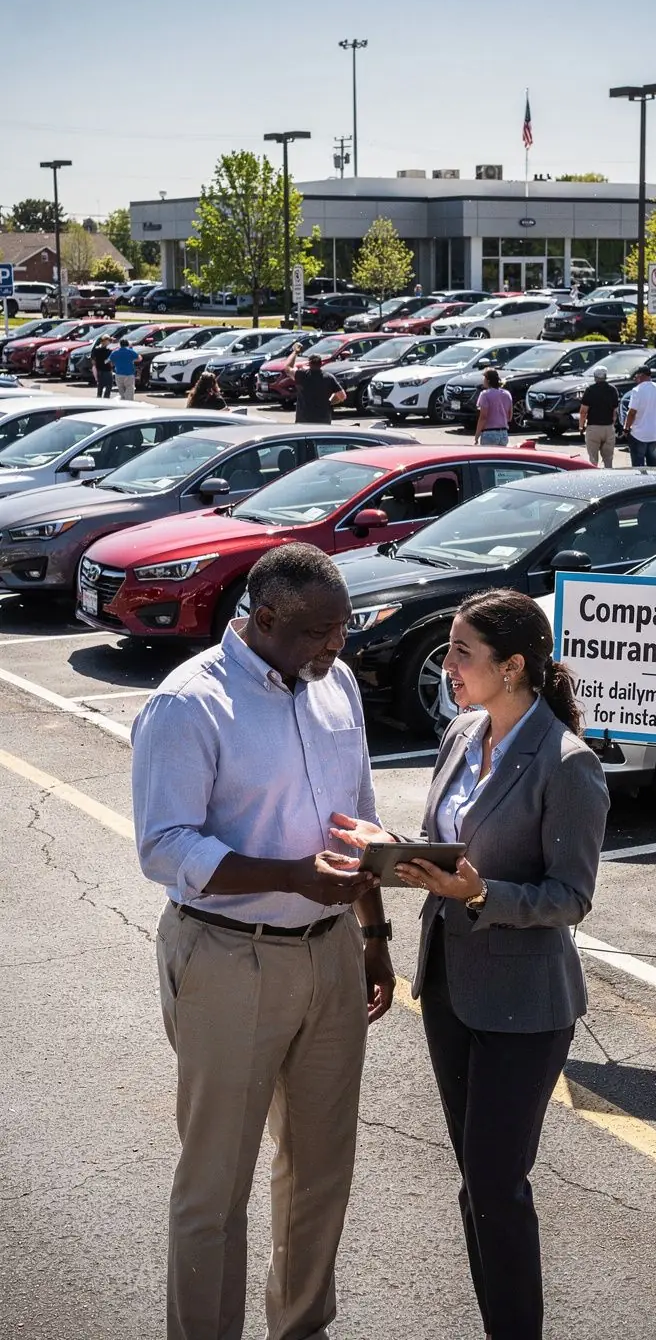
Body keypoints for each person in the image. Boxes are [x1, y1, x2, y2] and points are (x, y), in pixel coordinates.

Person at [131, 543, 395, 1340]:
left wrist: (374, 934)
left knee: (320, 1174)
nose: (335, 647)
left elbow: (359, 816)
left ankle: (301, 1328)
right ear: (265, 617)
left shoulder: (335, 683)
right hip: (225, 957)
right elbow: (164, 847)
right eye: (320, 631)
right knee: (216, 1187)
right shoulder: (190, 703)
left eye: (343, 630)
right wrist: (290, 875)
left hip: (331, 956)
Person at [331, 589, 608, 1340]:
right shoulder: (460, 732)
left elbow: (571, 897)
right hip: (450, 985)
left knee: (496, 1183)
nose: (447, 665)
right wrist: (383, 844)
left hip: (527, 1002)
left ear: (513, 666)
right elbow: (441, 843)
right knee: (475, 1185)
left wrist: (483, 893)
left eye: (462, 652)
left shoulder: (569, 764)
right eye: (450, 649)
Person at [283, 345, 347, 423]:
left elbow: (287, 367)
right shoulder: (329, 378)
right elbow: (342, 396)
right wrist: (329, 402)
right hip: (323, 420)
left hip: (304, 419)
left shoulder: (302, 375)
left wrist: (295, 352)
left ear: (309, 364)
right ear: (321, 363)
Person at [624, 365, 656, 467]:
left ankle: (641, 481)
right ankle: (654, 481)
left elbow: (632, 412)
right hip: (654, 433)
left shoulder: (637, 390)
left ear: (641, 375)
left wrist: (626, 427)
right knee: (652, 462)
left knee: (638, 463)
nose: (635, 378)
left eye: (637, 375)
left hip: (639, 433)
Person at [578, 363, 619, 467]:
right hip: (608, 427)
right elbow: (615, 411)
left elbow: (583, 411)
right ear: (606, 376)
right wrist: (612, 424)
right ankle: (609, 480)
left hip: (593, 427)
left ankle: (595, 480)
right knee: (608, 460)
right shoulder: (613, 390)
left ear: (595, 376)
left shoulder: (590, 390)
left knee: (593, 460)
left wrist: (581, 426)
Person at [474, 367, 512, 446]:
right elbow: (509, 416)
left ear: (488, 380)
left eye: (484, 378)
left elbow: (483, 417)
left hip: (489, 433)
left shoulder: (485, 394)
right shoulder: (507, 394)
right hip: (504, 433)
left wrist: (477, 435)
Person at [110, 335, 140, 401]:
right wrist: (132, 360)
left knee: (121, 391)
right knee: (129, 389)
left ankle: (123, 402)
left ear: (120, 344)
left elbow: (110, 361)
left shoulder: (115, 352)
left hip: (118, 373)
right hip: (129, 374)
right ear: (127, 344)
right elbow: (139, 358)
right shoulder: (130, 351)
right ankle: (129, 404)